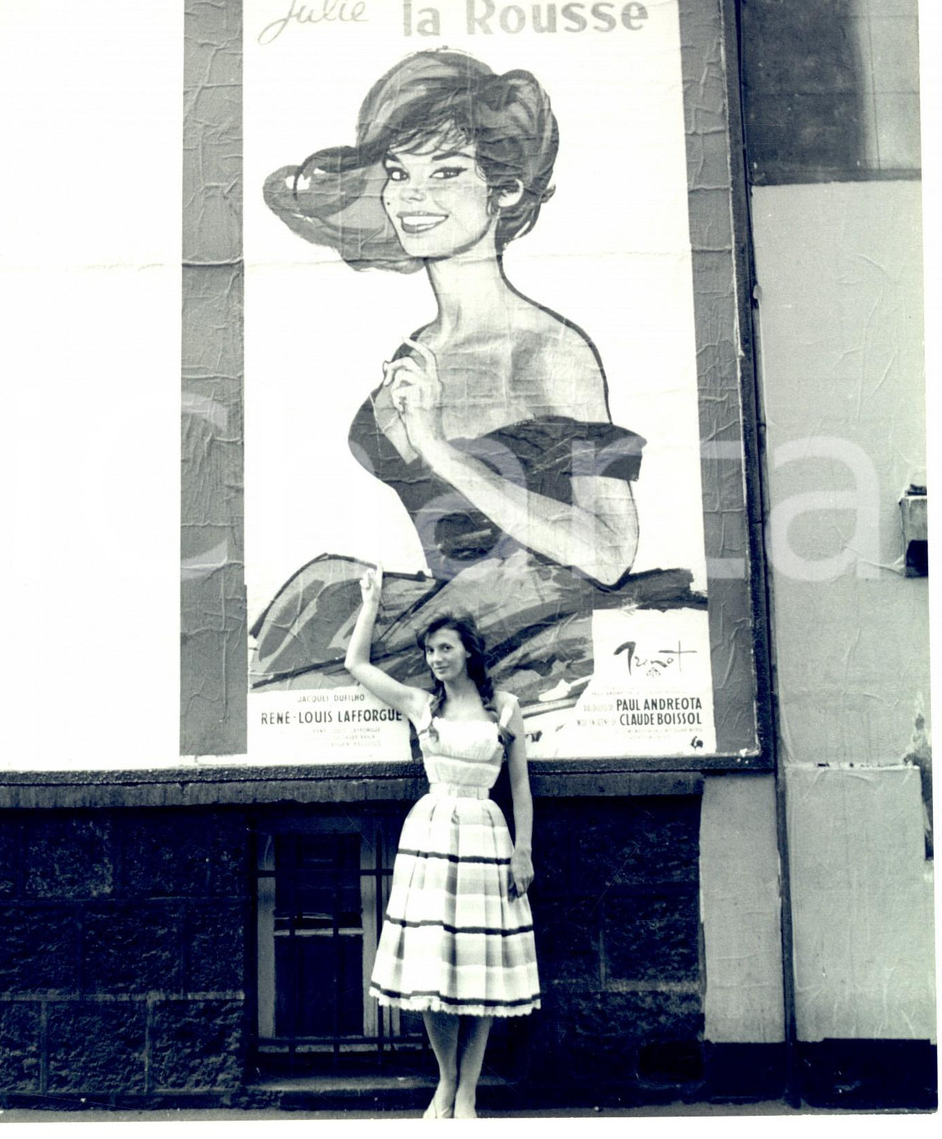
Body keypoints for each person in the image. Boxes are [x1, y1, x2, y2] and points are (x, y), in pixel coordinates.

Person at [252, 49, 703, 738]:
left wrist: (435, 445)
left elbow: (611, 553)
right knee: (310, 619)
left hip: (531, 628)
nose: (410, 195)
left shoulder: (549, 352)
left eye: (446, 172)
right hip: (440, 617)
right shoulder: (415, 352)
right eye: (398, 172)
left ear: (507, 190)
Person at [344, 564, 539, 1119]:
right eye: (430, 650)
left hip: (485, 837)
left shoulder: (506, 709)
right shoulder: (420, 705)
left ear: (468, 653)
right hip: (431, 837)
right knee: (432, 965)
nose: (436, 659)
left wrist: (522, 851)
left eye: (445, 648)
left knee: (478, 969)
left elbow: (520, 787)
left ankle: (471, 1090)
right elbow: (356, 664)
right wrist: (371, 602)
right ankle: (446, 1081)